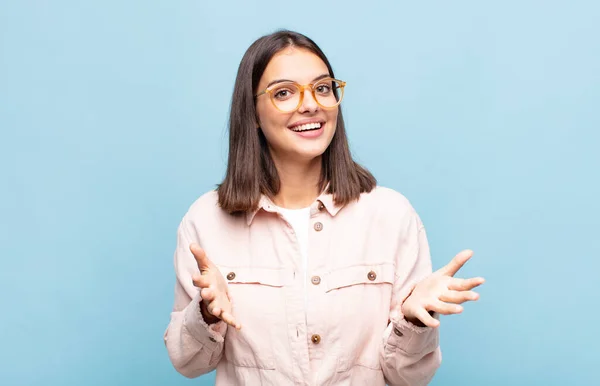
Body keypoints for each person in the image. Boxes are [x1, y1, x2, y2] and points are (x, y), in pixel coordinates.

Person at [163, 30, 484, 386]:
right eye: (284, 93)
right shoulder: (205, 221)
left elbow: (410, 376)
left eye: (322, 88)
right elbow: (188, 363)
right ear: (252, 113)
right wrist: (206, 313)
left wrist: (414, 320)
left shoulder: (390, 215)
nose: (310, 104)